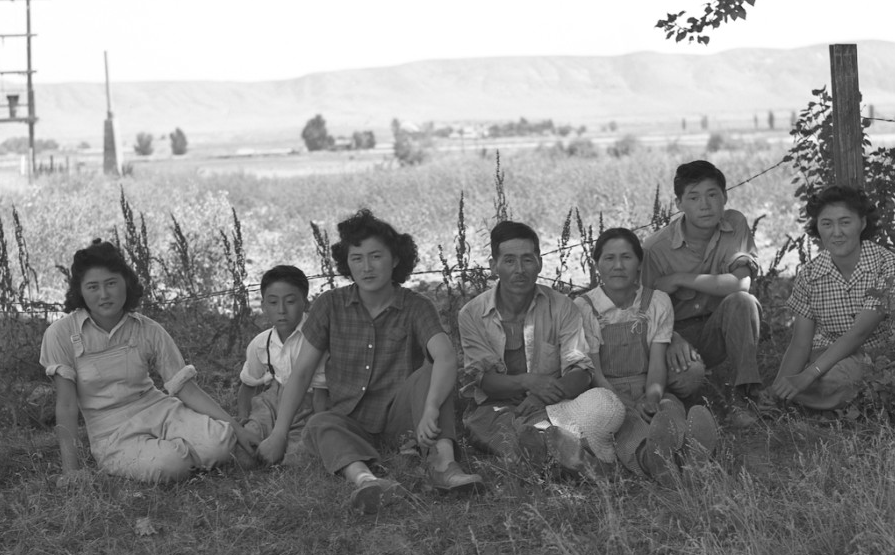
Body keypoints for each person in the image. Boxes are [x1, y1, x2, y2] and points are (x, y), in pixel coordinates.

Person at [256, 209, 483, 514]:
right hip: (349, 419)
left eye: (376, 256)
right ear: (346, 264)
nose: (367, 267)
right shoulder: (330, 305)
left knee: (431, 372)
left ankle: (444, 465)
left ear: (395, 259)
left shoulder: (417, 306)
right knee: (320, 423)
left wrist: (430, 406)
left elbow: (445, 356)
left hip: (400, 419)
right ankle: (366, 480)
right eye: (357, 258)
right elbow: (302, 373)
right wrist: (279, 434)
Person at [40, 240, 259, 485]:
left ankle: (193, 453)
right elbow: (67, 405)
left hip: (158, 409)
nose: (104, 295)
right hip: (110, 430)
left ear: (126, 283)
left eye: (111, 283)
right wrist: (71, 471)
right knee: (168, 465)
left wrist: (236, 429)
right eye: (93, 287)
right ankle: (177, 457)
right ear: (80, 291)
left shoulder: (147, 329)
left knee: (219, 441)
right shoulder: (61, 333)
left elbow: (185, 388)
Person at [459, 220, 625, 473]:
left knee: (594, 407)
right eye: (509, 260)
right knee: (496, 428)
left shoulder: (561, 306)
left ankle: (553, 450)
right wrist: (528, 382)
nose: (519, 270)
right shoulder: (471, 314)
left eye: (527, 260)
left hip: (554, 403)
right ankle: (577, 462)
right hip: (496, 408)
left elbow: (581, 371)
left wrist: (542, 395)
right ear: (493, 266)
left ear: (539, 263)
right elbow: (483, 380)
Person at [576, 228, 718, 484]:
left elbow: (657, 363)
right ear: (596, 264)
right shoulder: (584, 307)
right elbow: (594, 372)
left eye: (626, 257)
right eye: (609, 258)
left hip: (647, 384)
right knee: (627, 424)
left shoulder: (657, 301)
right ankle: (652, 461)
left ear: (639, 264)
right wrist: (627, 404)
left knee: (667, 409)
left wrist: (652, 397)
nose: (618, 266)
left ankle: (692, 451)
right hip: (606, 392)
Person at [771, 185, 895, 410]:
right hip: (830, 363)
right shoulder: (809, 275)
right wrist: (780, 385)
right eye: (827, 223)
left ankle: (813, 401)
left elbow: (859, 332)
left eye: (845, 222)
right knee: (848, 372)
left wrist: (807, 375)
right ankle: (851, 401)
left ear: (862, 223)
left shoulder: (888, 266)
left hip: (884, 358)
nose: (836, 232)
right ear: (817, 228)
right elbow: (800, 344)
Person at [642, 159, 763, 427]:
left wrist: (680, 278)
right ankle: (686, 403)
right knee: (690, 376)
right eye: (693, 197)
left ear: (725, 196)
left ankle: (743, 397)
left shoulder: (735, 223)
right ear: (678, 204)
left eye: (712, 195)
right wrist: (669, 337)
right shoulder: (655, 248)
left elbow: (740, 284)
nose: (705, 205)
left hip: (717, 326)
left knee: (743, 301)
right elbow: (641, 309)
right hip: (675, 333)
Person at [236, 265, 328, 464]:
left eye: (290, 301)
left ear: (305, 302)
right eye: (273, 302)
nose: (281, 310)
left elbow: (321, 393)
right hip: (270, 403)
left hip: (308, 404)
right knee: (242, 451)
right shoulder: (260, 344)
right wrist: (243, 419)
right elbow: (249, 384)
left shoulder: (317, 339)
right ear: (263, 306)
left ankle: (290, 447)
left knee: (298, 458)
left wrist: (322, 430)